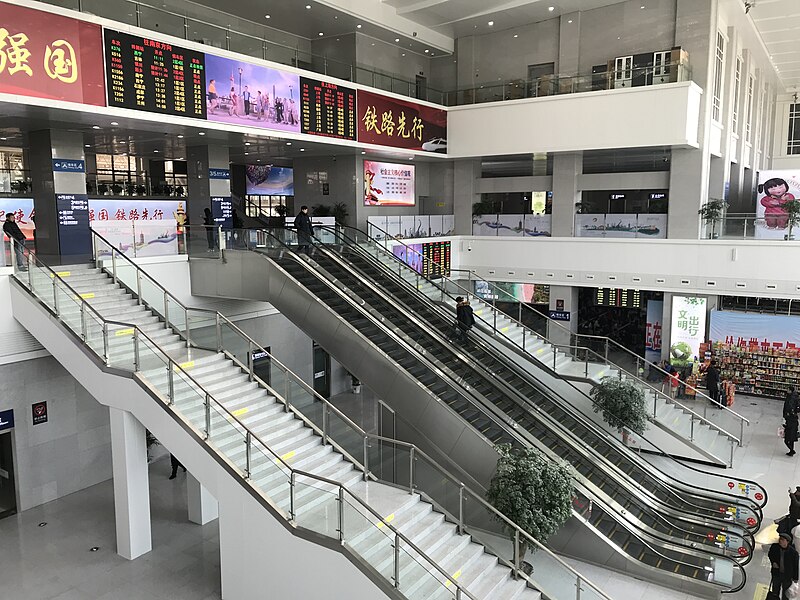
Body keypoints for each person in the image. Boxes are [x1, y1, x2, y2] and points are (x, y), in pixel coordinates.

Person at [768, 532, 799, 599]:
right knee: (775, 592)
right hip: (777, 574)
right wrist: (773, 562)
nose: (780, 541)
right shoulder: (774, 547)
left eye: (782, 539)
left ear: (787, 542)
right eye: (780, 539)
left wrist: (795, 578)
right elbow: (770, 554)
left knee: (786, 594)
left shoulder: (793, 553)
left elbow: (796, 566)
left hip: (787, 576)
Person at [785, 389, 800, 457]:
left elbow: (788, 407)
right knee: (791, 439)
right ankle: (791, 450)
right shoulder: (793, 397)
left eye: (788, 390)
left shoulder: (791, 398)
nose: (787, 390)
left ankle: (792, 450)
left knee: (787, 440)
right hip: (792, 425)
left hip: (790, 425)